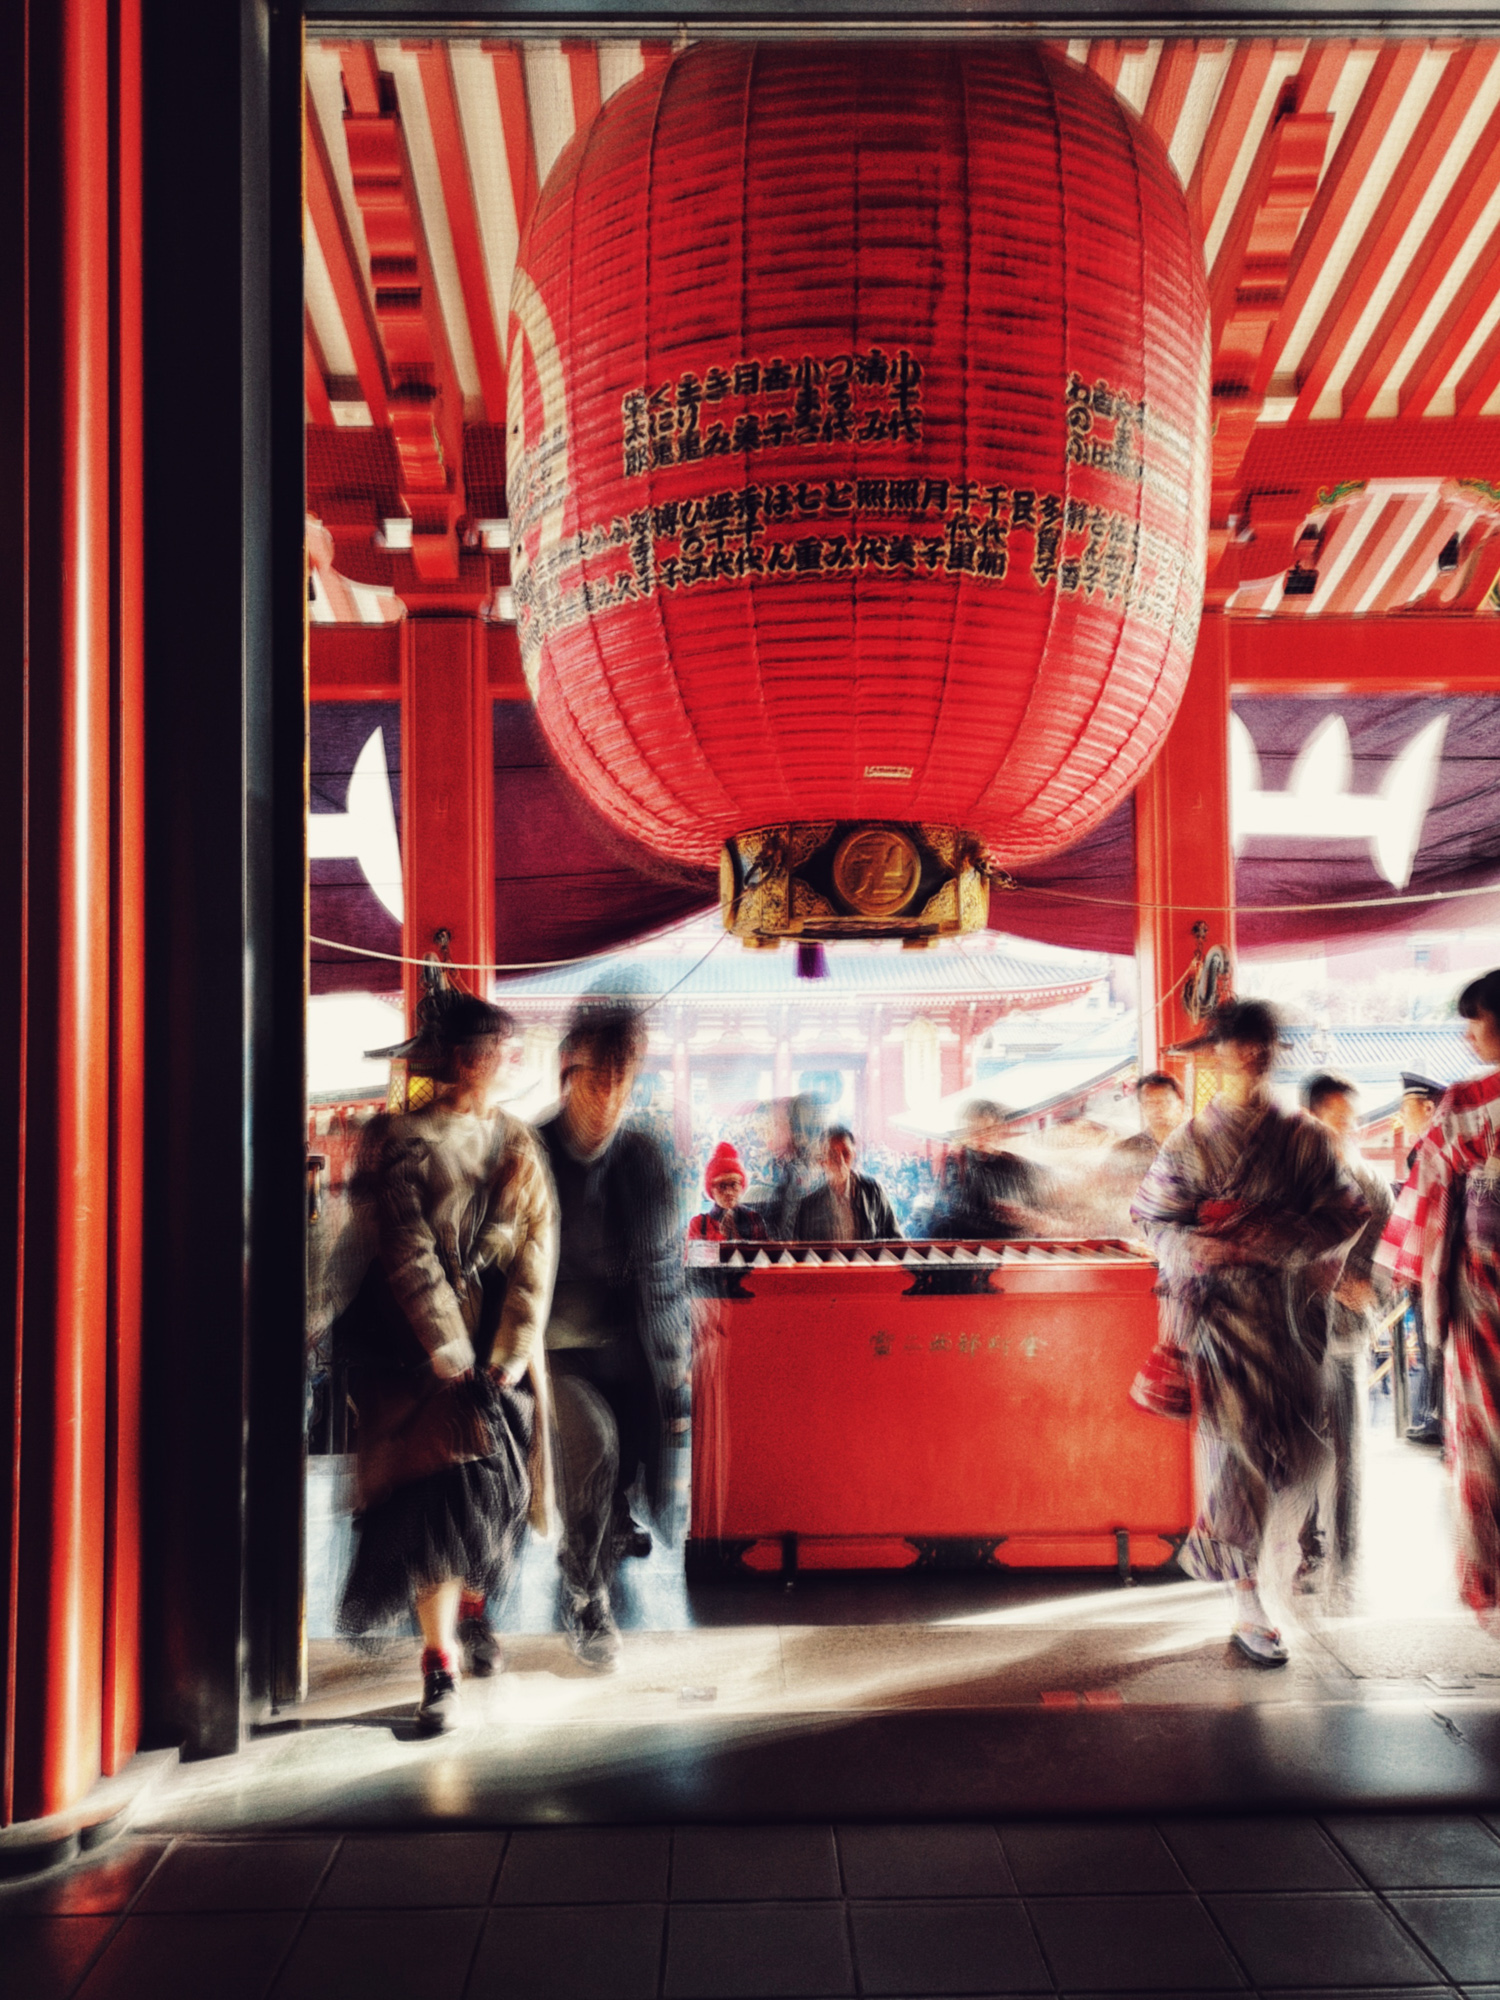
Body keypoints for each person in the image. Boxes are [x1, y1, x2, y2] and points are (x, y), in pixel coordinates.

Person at [336, 998, 557, 1735]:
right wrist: (446, 1346)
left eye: (498, 1049)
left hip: (492, 1350)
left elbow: (536, 1247)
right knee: (430, 1508)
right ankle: (439, 1662)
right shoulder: (397, 1139)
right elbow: (406, 1248)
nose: (490, 1062)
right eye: (480, 1048)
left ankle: (470, 1614)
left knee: (493, 1499)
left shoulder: (517, 1140)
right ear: (451, 1055)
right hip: (410, 1353)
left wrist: (511, 1350)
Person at [1132, 1001, 1368, 1667]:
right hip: (1219, 1321)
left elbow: (1346, 1212)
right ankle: (1245, 1597)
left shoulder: (1304, 1138)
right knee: (1234, 1458)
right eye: (1239, 1046)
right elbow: (1151, 1217)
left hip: (1289, 1320)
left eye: (1262, 1045)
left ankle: (1272, 1570)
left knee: (1298, 1457)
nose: (1252, 1057)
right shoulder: (1191, 1143)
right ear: (1215, 1054)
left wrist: (1285, 1240)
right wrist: (1199, 1244)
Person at [537, 1001, 691, 1670]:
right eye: (598, 1078)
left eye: (623, 1080)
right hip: (549, 1346)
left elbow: (662, 1263)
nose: (609, 1096)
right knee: (591, 1447)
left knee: (623, 1461)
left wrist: (675, 1351)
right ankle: (585, 1594)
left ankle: (599, 1541)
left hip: (624, 1344)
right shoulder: (531, 1152)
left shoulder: (643, 1157)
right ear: (568, 1073)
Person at [1379, 971, 1500, 1628]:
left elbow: (1423, 1198)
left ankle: (1491, 1580)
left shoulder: (1468, 1103)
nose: (1468, 1032)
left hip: (1486, 1289)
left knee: (1486, 1437)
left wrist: (1409, 1275)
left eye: (1475, 1020)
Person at [1296, 1072, 1393, 1583]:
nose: (1345, 1129)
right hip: (1296, 1333)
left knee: (1349, 1450)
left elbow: (1390, 1259)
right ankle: (1309, 1547)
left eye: (1350, 1120)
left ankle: (1347, 1550)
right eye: (1334, 1118)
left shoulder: (1373, 1184)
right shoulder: (1289, 1184)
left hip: (1349, 1333)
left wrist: (1372, 1291)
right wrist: (1332, 1281)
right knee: (1303, 1446)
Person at [1396, 1073, 1445, 1444]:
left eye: (1405, 1109)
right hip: (1425, 1263)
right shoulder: (1421, 1150)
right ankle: (1432, 1416)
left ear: (1429, 1108)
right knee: (1430, 1340)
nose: (1400, 1117)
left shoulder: (1435, 1150)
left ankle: (1438, 1418)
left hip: (1436, 1262)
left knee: (1437, 1339)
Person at [929, 1099, 1056, 1239]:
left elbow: (1037, 1210)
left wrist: (1022, 1216)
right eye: (975, 1130)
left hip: (1006, 1247)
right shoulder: (955, 1163)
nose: (981, 1137)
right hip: (965, 1246)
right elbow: (947, 1211)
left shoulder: (1016, 1166)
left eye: (987, 1130)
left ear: (997, 1130)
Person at [794, 1124, 902, 1240]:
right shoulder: (808, 1206)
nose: (840, 1161)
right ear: (822, 1161)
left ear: (854, 1156)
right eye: (832, 1154)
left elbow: (895, 1240)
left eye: (845, 1153)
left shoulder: (873, 1192)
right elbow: (803, 1252)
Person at [745, 1093, 823, 1238]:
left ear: (794, 1129)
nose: (770, 1131)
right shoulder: (790, 1167)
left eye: (776, 1124)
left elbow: (786, 1233)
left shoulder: (796, 1172)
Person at [688, 1141, 771, 1244]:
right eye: (721, 1186)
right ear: (711, 1190)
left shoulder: (754, 1219)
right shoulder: (699, 1225)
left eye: (734, 1184)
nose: (728, 1192)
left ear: (741, 1185)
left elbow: (765, 1256)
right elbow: (694, 1258)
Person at [1112, 1072, 1187, 1168]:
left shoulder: (1198, 1145)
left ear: (1180, 1105)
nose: (1158, 1108)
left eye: (1164, 1102)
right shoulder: (1127, 1150)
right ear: (1142, 1107)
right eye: (1150, 1103)